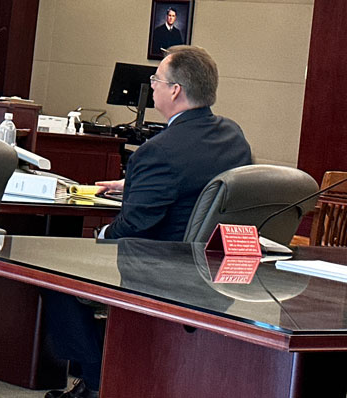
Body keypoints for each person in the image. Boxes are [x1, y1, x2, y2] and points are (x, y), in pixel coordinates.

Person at [42, 45, 252, 398]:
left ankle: (97, 380)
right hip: (217, 270)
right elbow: (200, 181)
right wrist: (135, 183)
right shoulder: (232, 136)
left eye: (156, 79)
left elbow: (133, 228)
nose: (151, 85)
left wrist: (101, 233)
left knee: (54, 269)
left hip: (159, 271)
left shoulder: (158, 151)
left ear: (175, 90)